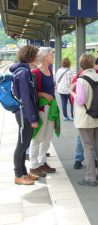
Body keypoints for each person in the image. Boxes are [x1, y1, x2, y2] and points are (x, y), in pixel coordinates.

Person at [70, 53, 98, 186]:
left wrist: (71, 91)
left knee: (88, 147)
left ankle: (90, 178)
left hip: (86, 119)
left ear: (81, 65)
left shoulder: (81, 80)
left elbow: (80, 101)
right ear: (93, 64)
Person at [10, 45, 39, 185]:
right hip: (24, 113)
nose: (37, 58)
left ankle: (24, 173)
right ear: (30, 57)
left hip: (24, 112)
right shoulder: (23, 73)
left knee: (25, 142)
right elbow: (26, 98)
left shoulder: (25, 71)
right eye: (36, 55)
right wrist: (32, 117)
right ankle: (18, 175)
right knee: (22, 144)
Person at [30, 47, 60, 177]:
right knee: (37, 137)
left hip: (51, 107)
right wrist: (43, 94)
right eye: (51, 54)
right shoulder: (35, 72)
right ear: (44, 56)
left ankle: (42, 162)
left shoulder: (49, 70)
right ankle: (33, 165)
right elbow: (31, 92)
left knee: (47, 137)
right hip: (42, 108)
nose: (52, 55)